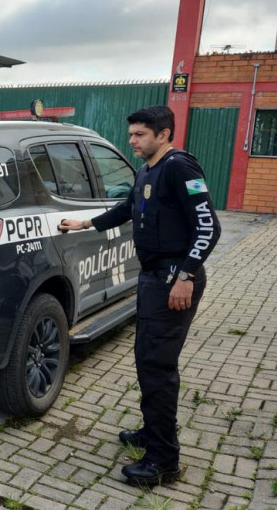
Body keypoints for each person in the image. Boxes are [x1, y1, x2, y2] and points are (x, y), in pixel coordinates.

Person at [59, 106, 221, 486]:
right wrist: (86, 222)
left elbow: (208, 227)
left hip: (173, 281)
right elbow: (130, 207)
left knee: (159, 369)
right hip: (152, 279)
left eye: (139, 135)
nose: (131, 141)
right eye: (131, 134)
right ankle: (153, 433)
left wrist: (186, 275)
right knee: (147, 362)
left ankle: (164, 461)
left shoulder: (181, 167)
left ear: (163, 134)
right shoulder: (148, 169)